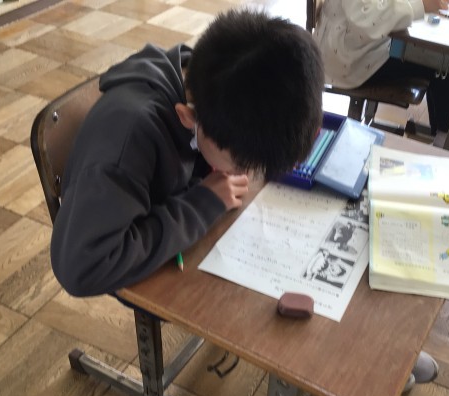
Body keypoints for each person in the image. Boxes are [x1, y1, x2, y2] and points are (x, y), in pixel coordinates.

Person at [50, 8, 325, 297]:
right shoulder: (127, 139)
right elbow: (82, 267)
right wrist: (203, 203)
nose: (244, 175)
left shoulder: (214, 79)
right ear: (187, 118)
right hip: (125, 258)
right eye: (240, 165)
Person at [313, 0, 449, 160]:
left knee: (440, 58)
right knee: (442, 61)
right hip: (349, 60)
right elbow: (366, 19)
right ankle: (448, 134)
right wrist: (420, 5)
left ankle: (445, 132)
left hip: (359, 48)